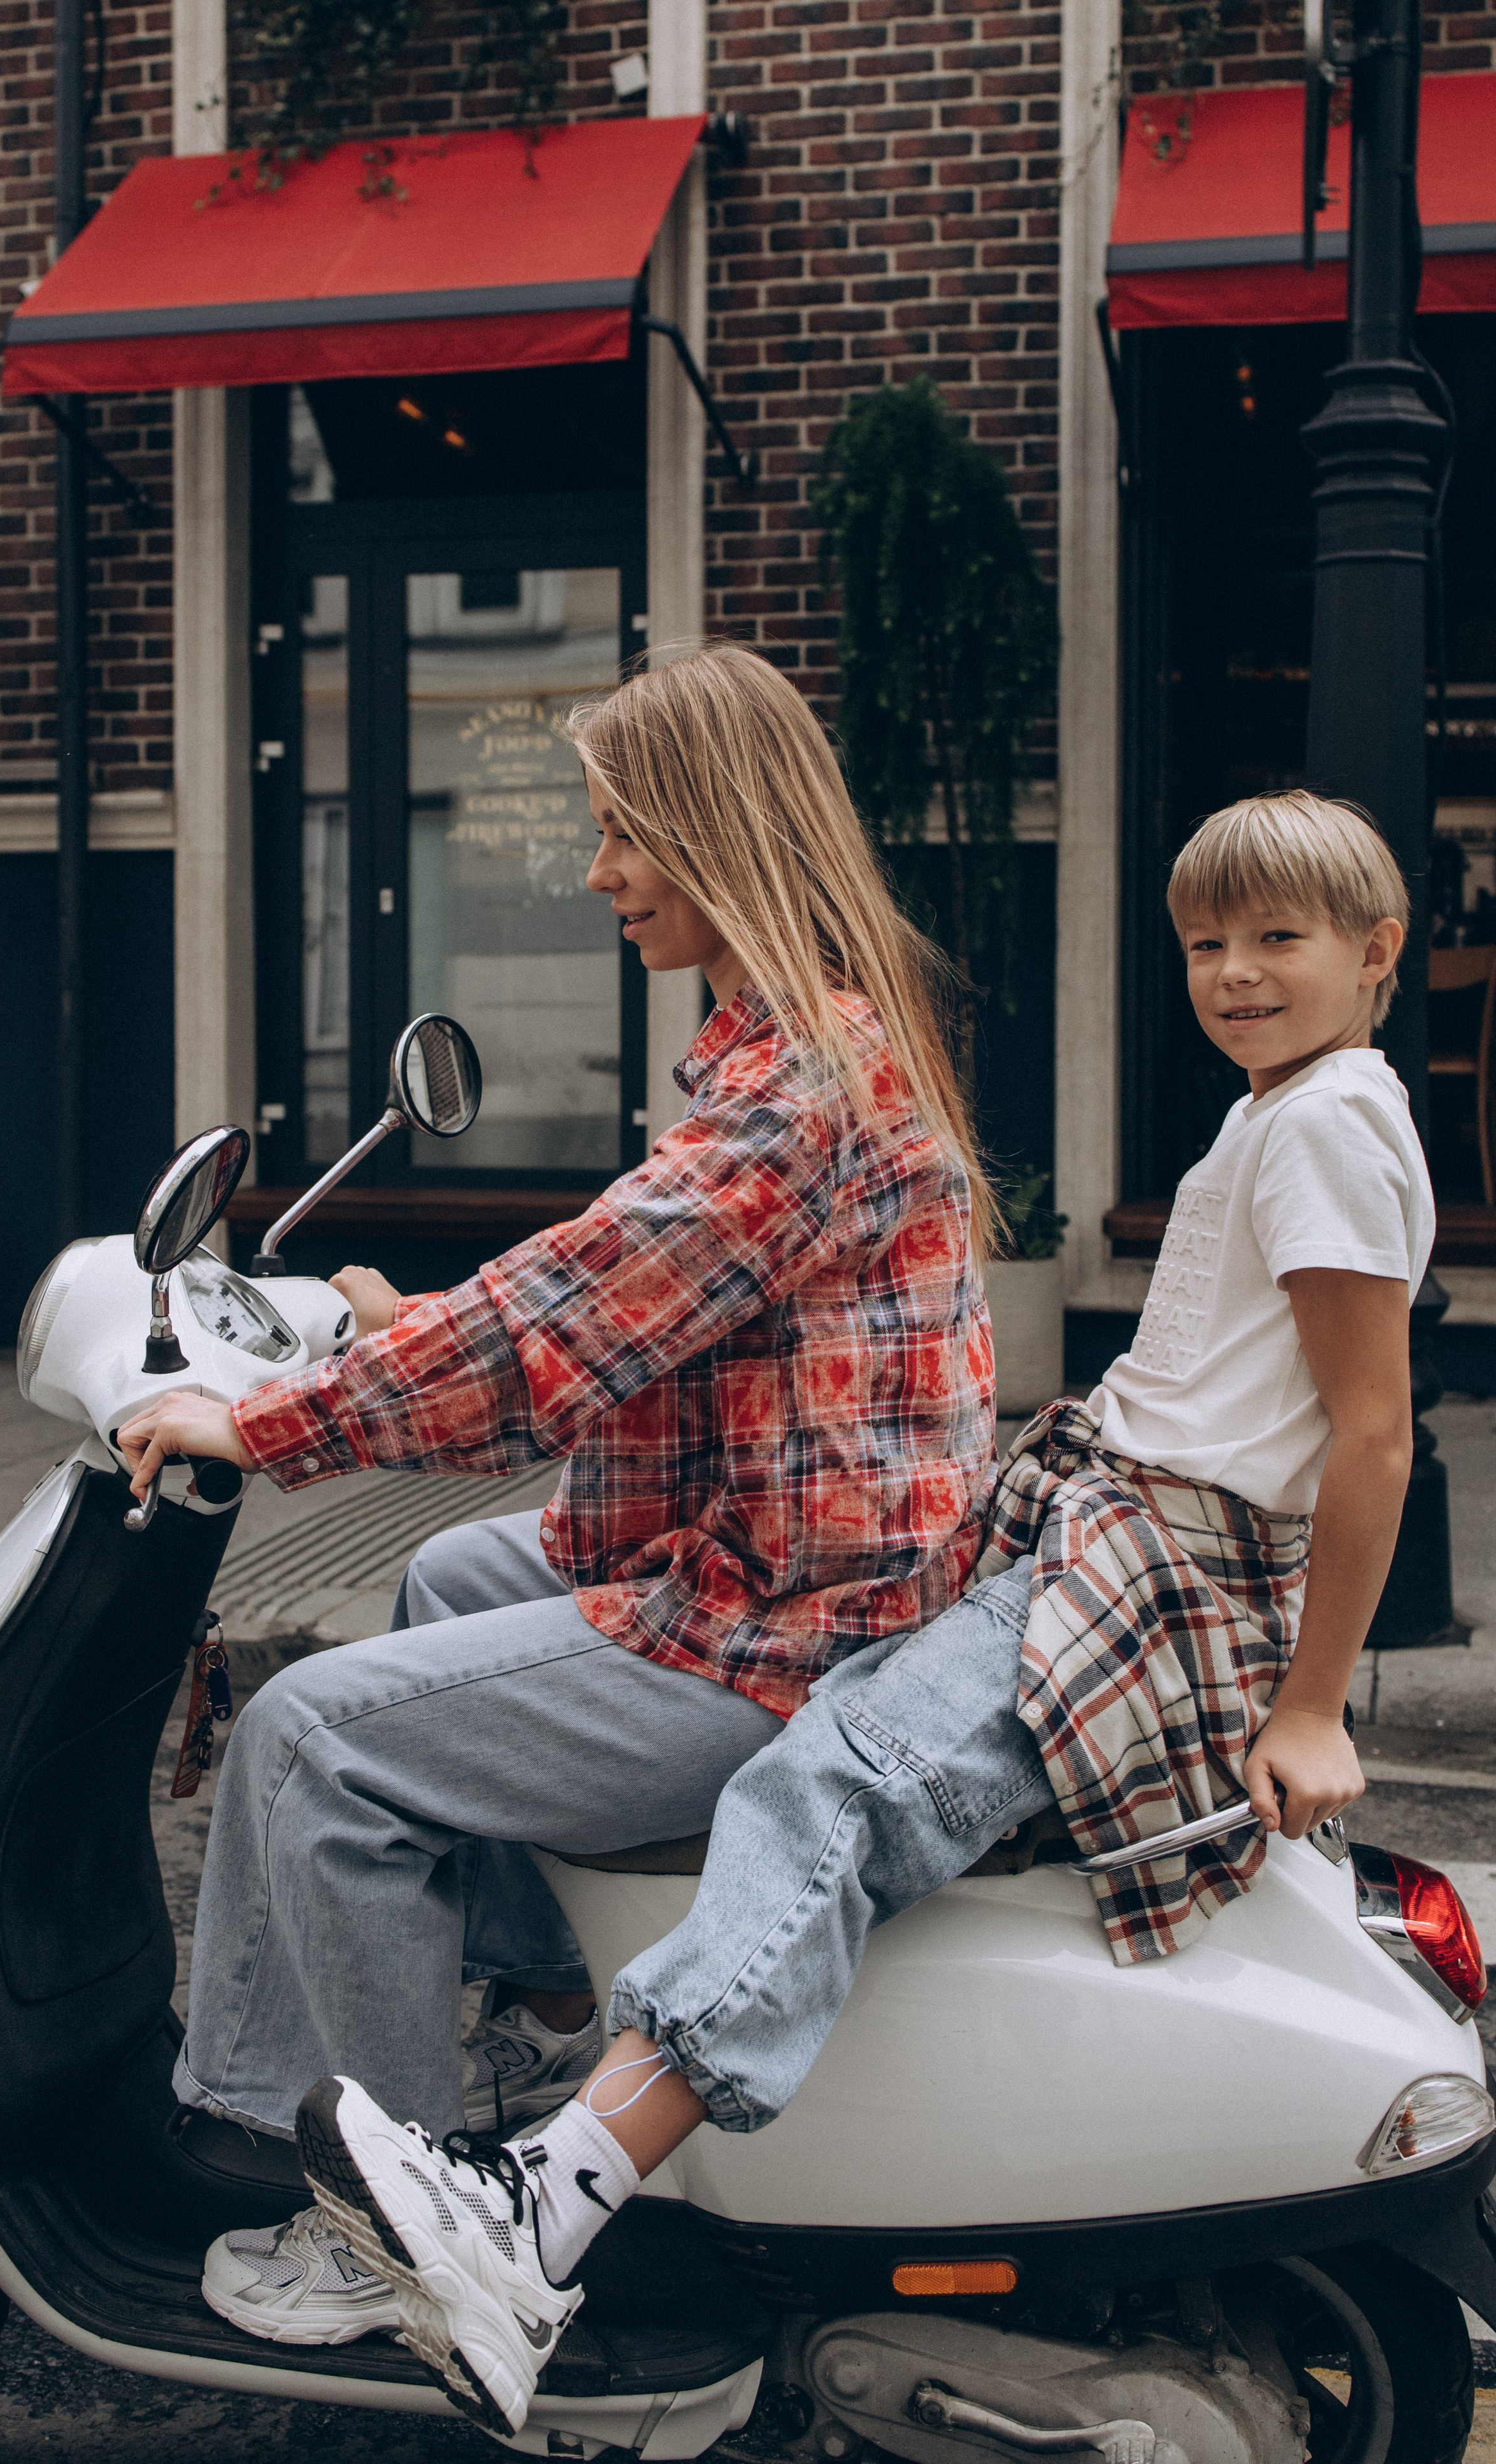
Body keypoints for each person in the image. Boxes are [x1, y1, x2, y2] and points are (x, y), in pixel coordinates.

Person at [286, 790, 1431, 2441]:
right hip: (1097, 1531)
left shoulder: (1326, 1124)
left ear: (1374, 951)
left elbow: (1376, 1431)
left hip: (1150, 1576)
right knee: (756, 1717)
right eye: (1204, 942)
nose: (1233, 973)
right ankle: (543, 2035)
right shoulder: (1285, 1108)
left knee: (836, 1784)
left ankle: (548, 2204)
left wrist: (1314, 1704)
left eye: (1278, 939)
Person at [116, 644, 1016, 2356]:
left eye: (623, 836)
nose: (596, 872)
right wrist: (404, 1341)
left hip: (794, 1630)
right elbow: (633, 1312)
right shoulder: (805, 1041)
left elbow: (567, 1321)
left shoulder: (798, 1088)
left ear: (714, 832)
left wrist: (272, 1416)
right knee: (459, 1573)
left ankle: (388, 2224)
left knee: (309, 1740)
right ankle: (541, 1995)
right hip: (815, 1567)